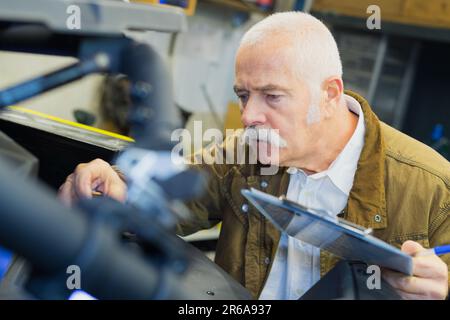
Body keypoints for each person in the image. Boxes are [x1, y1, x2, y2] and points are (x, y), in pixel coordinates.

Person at [58, 12, 449, 300]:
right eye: (243, 95)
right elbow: (160, 198)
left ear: (329, 94)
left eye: (272, 96)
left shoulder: (432, 187)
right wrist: (111, 186)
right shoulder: (241, 155)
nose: (248, 117)